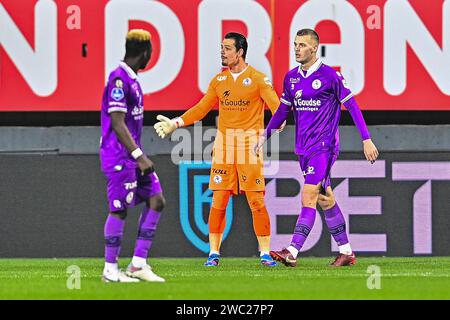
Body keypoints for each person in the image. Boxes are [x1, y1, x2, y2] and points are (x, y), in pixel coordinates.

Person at [154, 32, 285, 267]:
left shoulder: (258, 80)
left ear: (240, 52)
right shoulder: (219, 81)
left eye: (227, 48)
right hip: (224, 147)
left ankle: (265, 254)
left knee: (256, 201)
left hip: (249, 147)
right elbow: (201, 108)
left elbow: (279, 112)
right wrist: (176, 123)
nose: (222, 52)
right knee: (219, 200)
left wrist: (271, 129)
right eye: (221, 47)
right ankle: (213, 253)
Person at [254, 29, 379, 267]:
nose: (297, 49)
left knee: (309, 194)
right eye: (295, 44)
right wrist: (265, 134)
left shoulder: (331, 76)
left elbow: (352, 106)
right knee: (325, 198)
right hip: (304, 147)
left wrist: (366, 139)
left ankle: (292, 251)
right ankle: (346, 252)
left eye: (301, 45)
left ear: (314, 48)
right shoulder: (291, 78)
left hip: (325, 146)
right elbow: (282, 111)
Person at [100, 29, 166, 282]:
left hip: (133, 156)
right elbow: (117, 122)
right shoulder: (119, 79)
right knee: (119, 209)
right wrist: (139, 156)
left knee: (157, 200)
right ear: (146, 52)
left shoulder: (133, 79)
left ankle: (138, 264)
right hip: (119, 156)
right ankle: (110, 270)